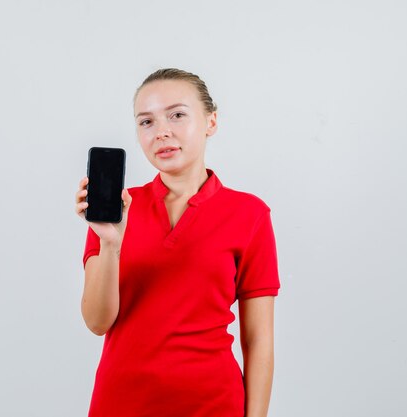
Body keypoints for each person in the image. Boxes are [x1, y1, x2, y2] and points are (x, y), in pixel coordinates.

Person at [74, 68, 280, 417]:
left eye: (177, 115)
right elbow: (97, 322)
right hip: (121, 402)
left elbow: (258, 341)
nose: (162, 132)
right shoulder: (116, 212)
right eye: (146, 122)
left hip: (212, 404)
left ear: (211, 122)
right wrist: (111, 243)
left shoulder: (250, 214)